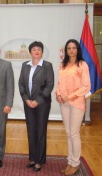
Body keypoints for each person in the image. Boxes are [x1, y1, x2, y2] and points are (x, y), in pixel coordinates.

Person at [55, 39, 90, 175]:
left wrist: (69, 96)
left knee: (74, 133)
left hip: (76, 103)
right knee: (68, 133)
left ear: (77, 49)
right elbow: (59, 84)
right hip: (64, 103)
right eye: (69, 48)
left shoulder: (82, 64)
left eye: (73, 48)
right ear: (66, 50)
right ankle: (70, 161)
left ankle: (76, 163)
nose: (71, 50)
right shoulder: (62, 65)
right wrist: (58, 94)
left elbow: (87, 86)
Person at [18, 41, 54, 172]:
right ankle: (32, 158)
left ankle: (39, 160)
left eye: (39, 49)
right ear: (30, 52)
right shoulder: (25, 65)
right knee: (31, 130)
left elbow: (49, 85)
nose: (37, 51)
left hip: (42, 104)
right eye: (34, 49)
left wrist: (37, 100)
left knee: (40, 131)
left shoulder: (47, 66)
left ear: (42, 52)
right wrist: (26, 99)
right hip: (28, 103)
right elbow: (21, 84)